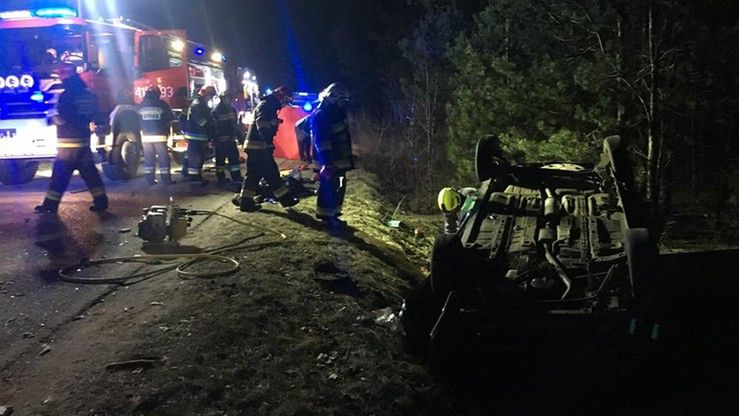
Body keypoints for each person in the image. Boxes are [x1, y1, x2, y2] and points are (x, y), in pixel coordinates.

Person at [35, 65, 108, 213]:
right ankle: (101, 202)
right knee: (91, 175)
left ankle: (50, 205)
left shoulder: (67, 95)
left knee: (59, 176)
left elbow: (64, 118)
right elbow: (93, 115)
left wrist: (52, 118)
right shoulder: (88, 95)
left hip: (68, 144)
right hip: (84, 142)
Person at [233, 86, 299, 212]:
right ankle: (286, 200)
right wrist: (267, 141)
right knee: (270, 173)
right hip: (259, 147)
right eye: (285, 101)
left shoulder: (269, 105)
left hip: (257, 147)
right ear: (280, 97)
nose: (285, 104)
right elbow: (262, 123)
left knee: (256, 175)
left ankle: (246, 203)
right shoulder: (267, 105)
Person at [311, 83, 354, 228]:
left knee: (338, 187)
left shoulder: (334, 114)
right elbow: (322, 142)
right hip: (330, 161)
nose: (344, 104)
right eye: (343, 100)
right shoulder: (322, 115)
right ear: (333, 98)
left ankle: (333, 215)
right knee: (329, 188)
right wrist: (327, 163)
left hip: (337, 161)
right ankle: (325, 217)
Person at [138, 85, 175, 185]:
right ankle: (166, 179)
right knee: (163, 158)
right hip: (160, 136)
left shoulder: (141, 105)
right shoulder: (162, 104)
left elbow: (137, 121)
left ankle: (150, 179)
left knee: (149, 158)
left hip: (146, 137)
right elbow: (169, 120)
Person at [181, 85, 216, 183]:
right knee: (197, 157)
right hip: (196, 135)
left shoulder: (200, 103)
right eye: (210, 95)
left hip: (197, 135)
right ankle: (194, 178)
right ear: (205, 93)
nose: (211, 97)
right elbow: (201, 121)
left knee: (193, 156)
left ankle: (189, 172)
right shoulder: (198, 104)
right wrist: (211, 123)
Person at [212, 92, 244, 185]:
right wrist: (217, 138)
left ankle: (236, 176)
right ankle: (221, 178)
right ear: (222, 98)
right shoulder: (216, 111)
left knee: (234, 159)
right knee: (220, 160)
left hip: (230, 139)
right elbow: (215, 127)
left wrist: (239, 137)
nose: (228, 100)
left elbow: (234, 125)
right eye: (226, 98)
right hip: (221, 140)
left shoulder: (232, 110)